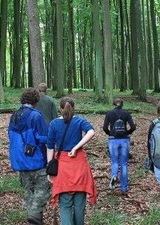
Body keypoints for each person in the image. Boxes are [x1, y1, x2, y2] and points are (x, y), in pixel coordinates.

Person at [47, 97, 97, 225]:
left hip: (63, 168)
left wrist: (49, 168)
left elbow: (50, 147)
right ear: (73, 108)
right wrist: (76, 147)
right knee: (79, 206)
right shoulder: (79, 121)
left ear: (60, 108)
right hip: (80, 166)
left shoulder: (54, 124)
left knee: (65, 205)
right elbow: (91, 132)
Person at [8, 88, 51, 225]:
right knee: (44, 188)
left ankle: (35, 219)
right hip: (36, 159)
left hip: (19, 159)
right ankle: (34, 213)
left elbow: (11, 137)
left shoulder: (14, 116)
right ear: (36, 100)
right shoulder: (36, 116)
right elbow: (43, 137)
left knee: (28, 191)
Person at [102, 97, 136, 193]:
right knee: (124, 163)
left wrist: (110, 133)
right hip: (124, 140)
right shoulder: (126, 113)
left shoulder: (109, 113)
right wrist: (127, 132)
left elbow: (104, 127)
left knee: (114, 161)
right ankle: (124, 187)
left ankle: (114, 175)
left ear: (114, 104)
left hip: (113, 140)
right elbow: (133, 127)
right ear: (122, 104)